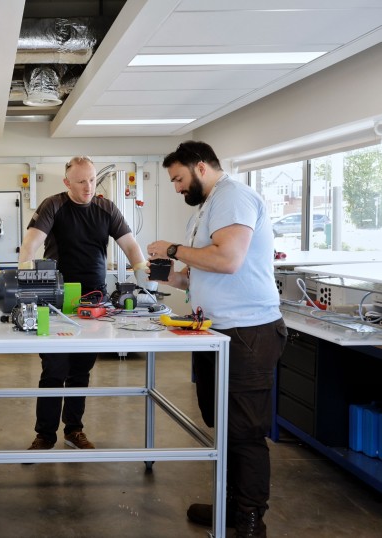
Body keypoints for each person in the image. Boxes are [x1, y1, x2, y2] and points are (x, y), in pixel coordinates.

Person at [147, 141, 287, 538]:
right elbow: (202, 273)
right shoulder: (210, 207)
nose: (176, 187)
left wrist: (175, 248)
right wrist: (168, 276)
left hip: (248, 332)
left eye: (178, 178)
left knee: (244, 430)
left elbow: (228, 260)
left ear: (201, 167)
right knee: (222, 424)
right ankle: (230, 504)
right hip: (216, 331)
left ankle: (249, 520)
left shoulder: (233, 198)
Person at [19, 155, 149, 451]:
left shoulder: (106, 209)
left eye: (91, 179)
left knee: (81, 369)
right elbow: (31, 243)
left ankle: (73, 429)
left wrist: (146, 280)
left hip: (94, 300)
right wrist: (25, 279)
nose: (88, 186)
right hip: (54, 299)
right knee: (53, 368)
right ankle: (45, 434)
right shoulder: (53, 205)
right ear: (67, 182)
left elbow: (130, 245)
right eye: (81, 181)